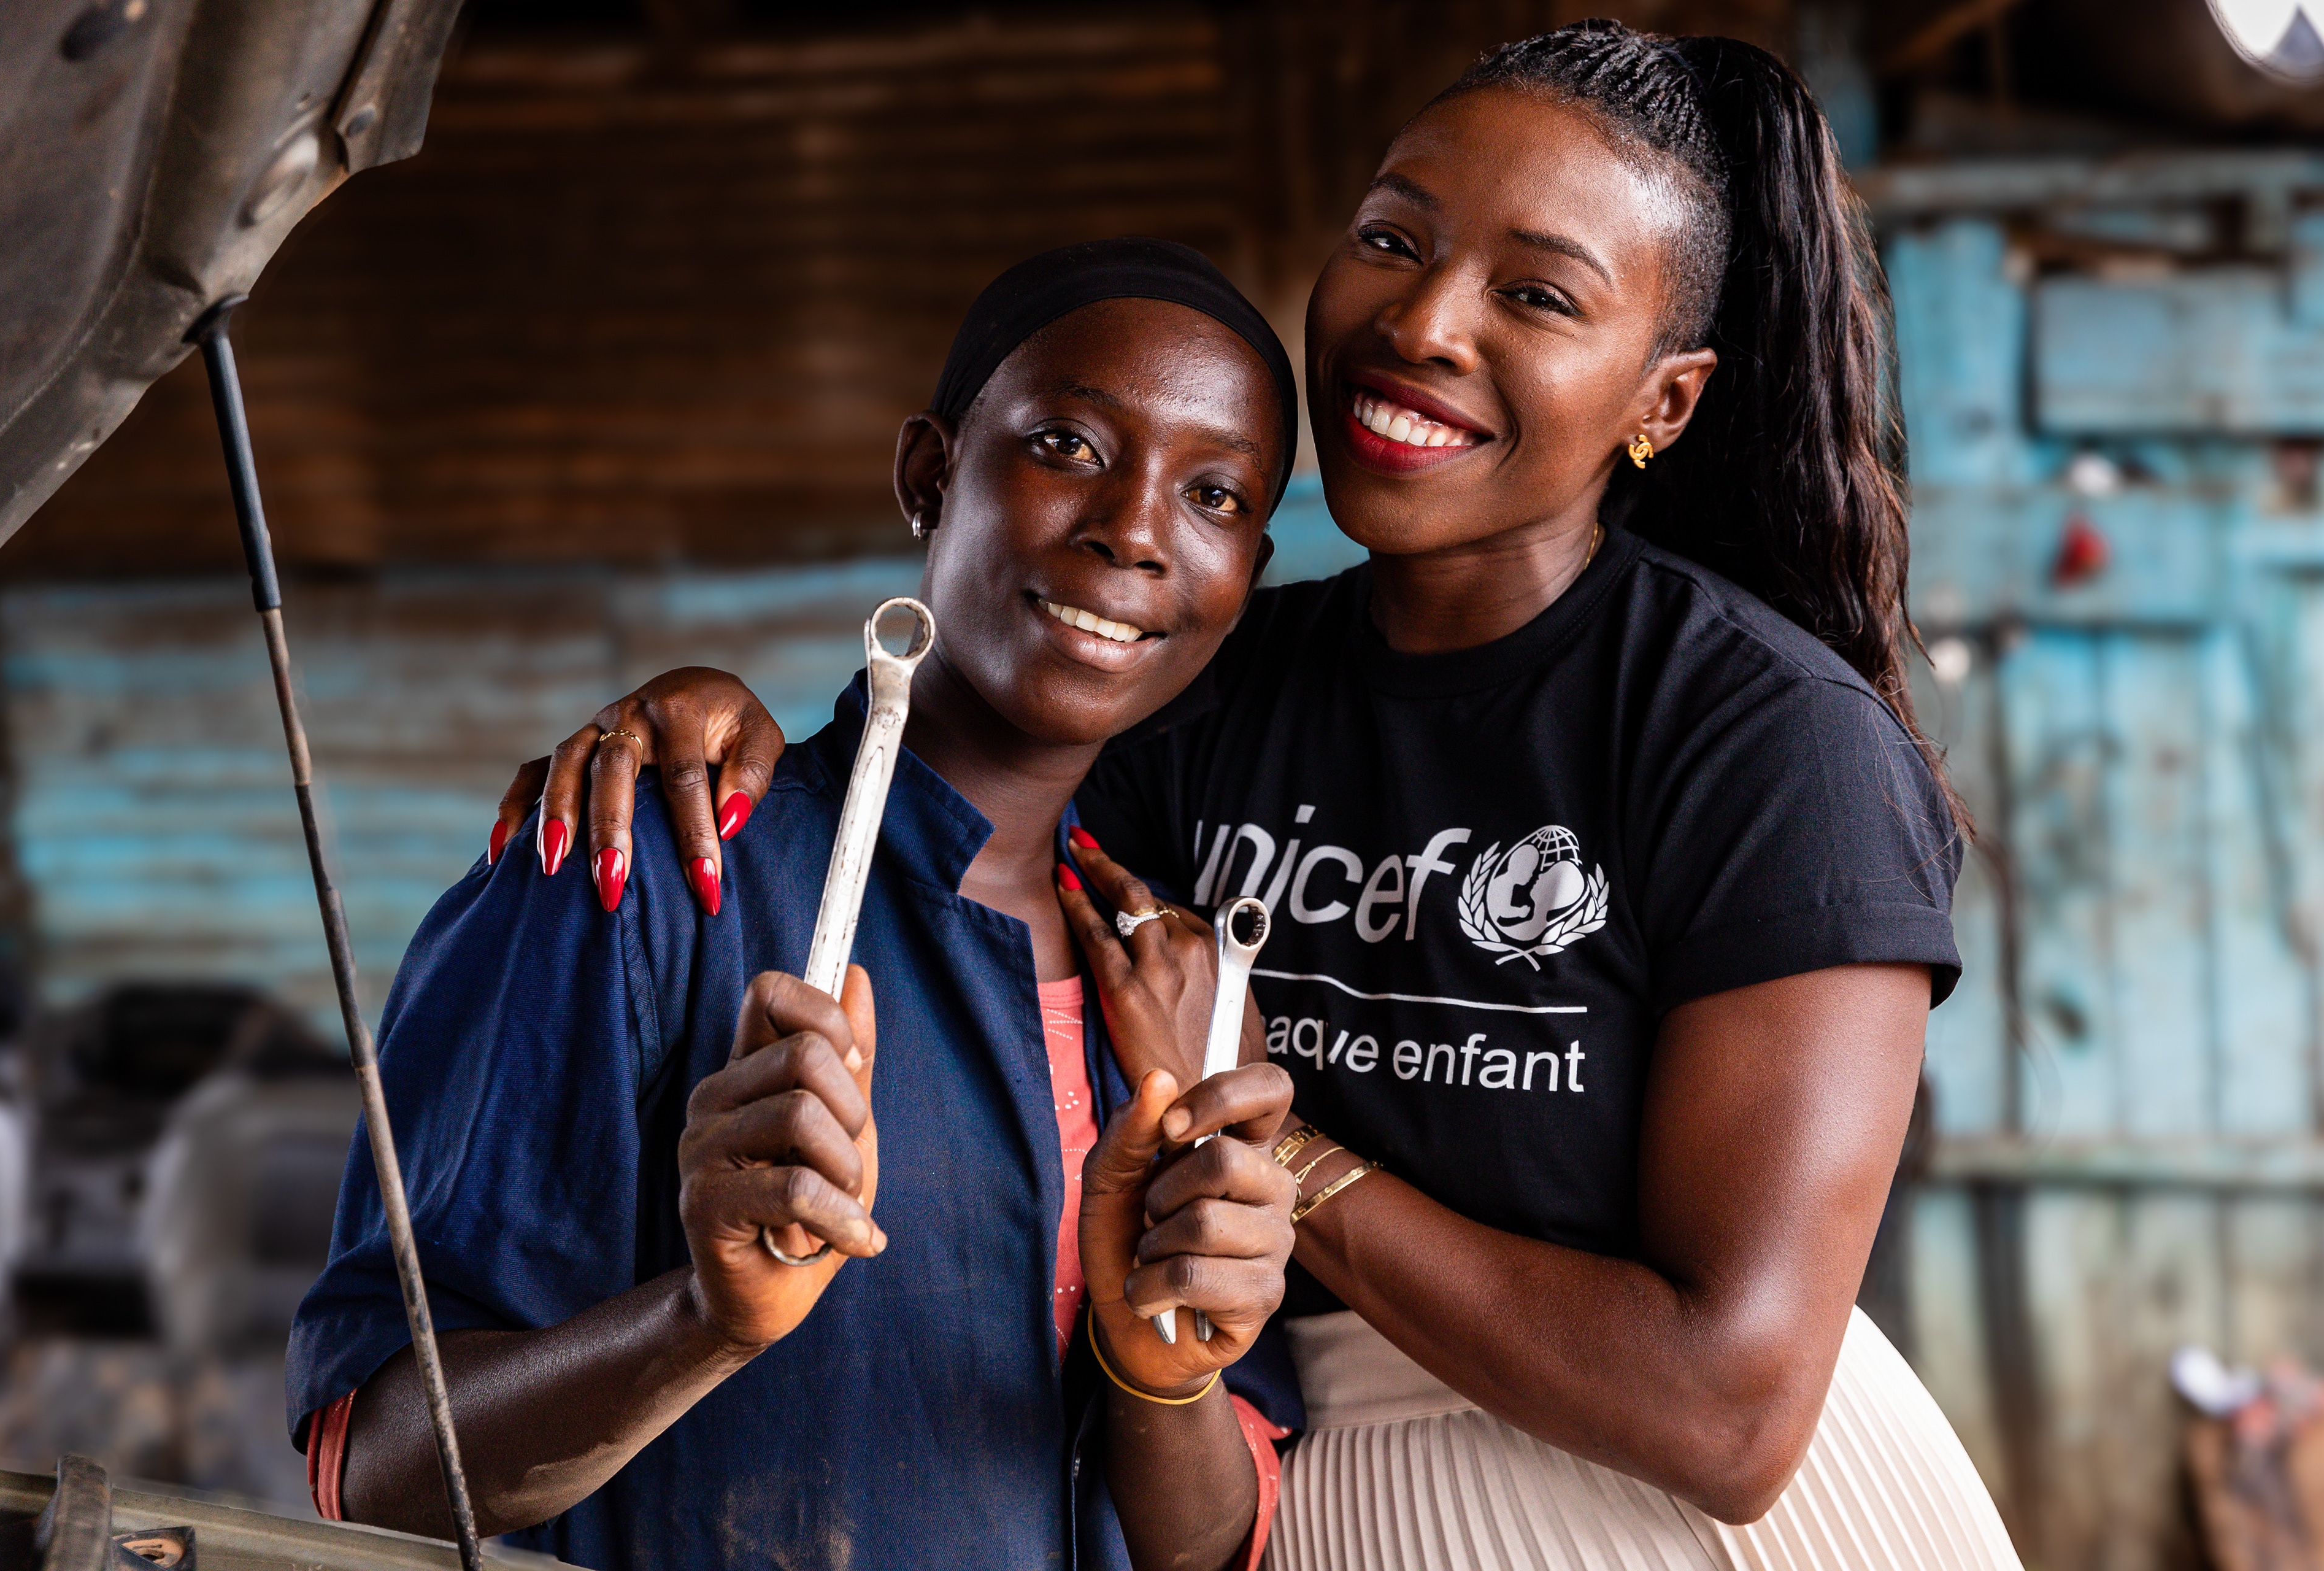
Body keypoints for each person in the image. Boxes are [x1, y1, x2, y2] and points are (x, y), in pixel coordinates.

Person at [502, 23, 2023, 1570]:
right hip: (1319, 1497)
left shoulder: (1767, 743)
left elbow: (1729, 1412)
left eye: (1536, 295)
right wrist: (714, 718)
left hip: (1688, 1521)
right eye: (1393, 240)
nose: (1422, 322)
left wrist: (1273, 1139)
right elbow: (955, 792)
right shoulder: (1202, 690)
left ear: (1666, 399)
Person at [287, 239, 1314, 1571]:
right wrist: (703, 1322)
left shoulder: (1191, 1004)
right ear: (931, 474)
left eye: (1214, 493)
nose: (1134, 527)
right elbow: (375, 1468)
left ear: (1248, 571)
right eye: (1067, 445)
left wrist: (1160, 1374)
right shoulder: (654, 861)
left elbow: (1212, 1544)